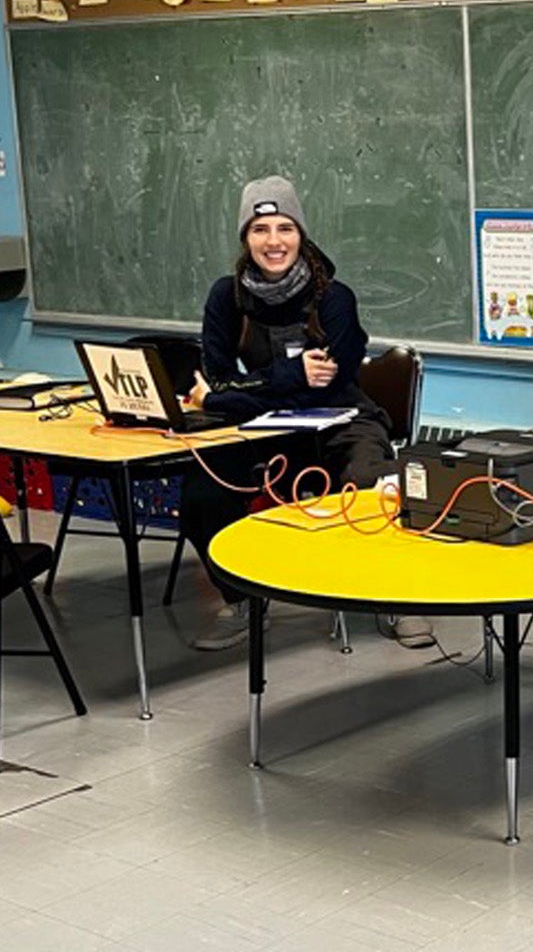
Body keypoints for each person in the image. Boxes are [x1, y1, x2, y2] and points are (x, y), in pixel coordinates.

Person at [181, 176, 424, 651]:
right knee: (200, 497)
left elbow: (330, 380)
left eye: (285, 228)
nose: (273, 242)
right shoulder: (224, 298)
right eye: (260, 229)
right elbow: (215, 376)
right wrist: (288, 376)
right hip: (268, 430)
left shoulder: (335, 298)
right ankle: (243, 600)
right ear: (245, 238)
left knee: (375, 481)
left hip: (344, 420)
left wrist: (226, 396)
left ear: (301, 234)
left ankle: (396, 597)